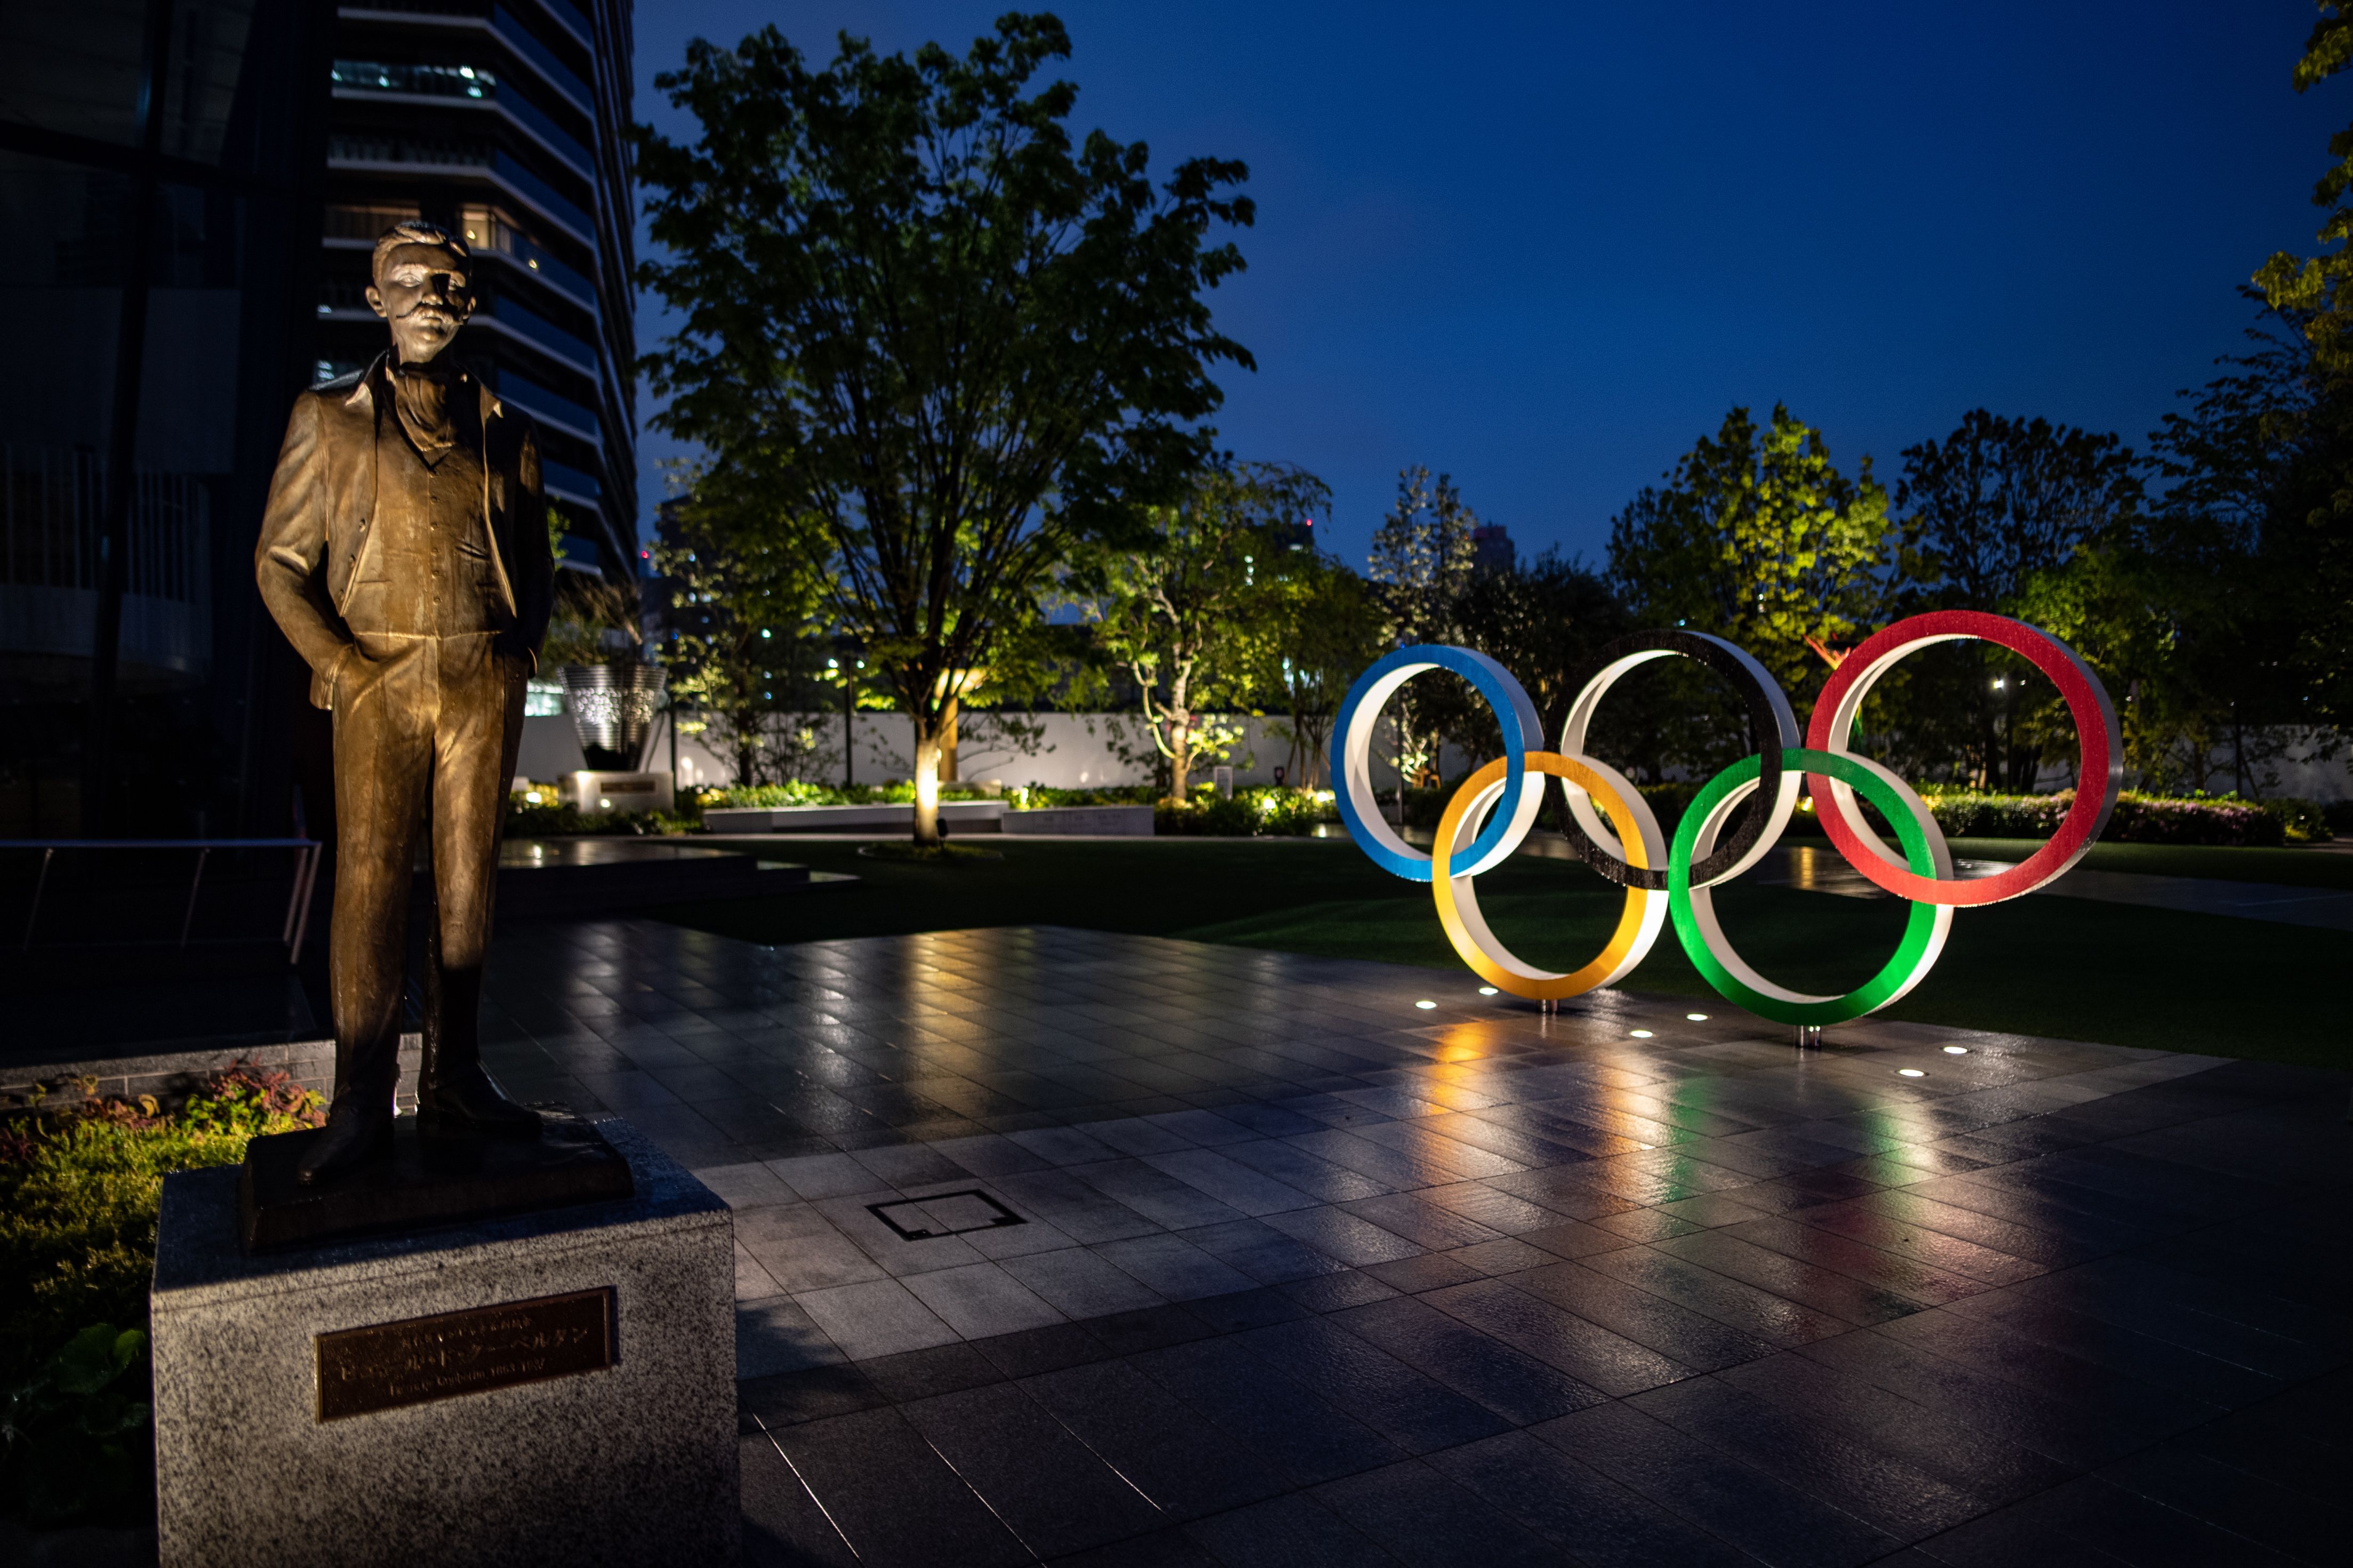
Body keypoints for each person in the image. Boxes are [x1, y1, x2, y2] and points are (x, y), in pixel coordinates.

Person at [254, 221, 553, 1182]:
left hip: (479, 678)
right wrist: (339, 668)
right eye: (410, 280)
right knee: (372, 885)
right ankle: (359, 1102)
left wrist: (520, 653)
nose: (432, 294)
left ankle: (456, 1077)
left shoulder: (507, 431)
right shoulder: (327, 418)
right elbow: (279, 562)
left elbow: (539, 566)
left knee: (469, 892)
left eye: (450, 282)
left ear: (468, 302)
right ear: (376, 298)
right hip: (376, 673)